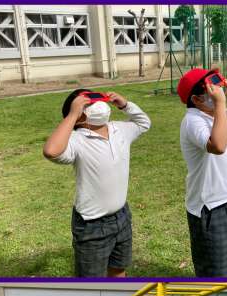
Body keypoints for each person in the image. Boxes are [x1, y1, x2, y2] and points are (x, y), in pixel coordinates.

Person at [43, 89, 151, 278]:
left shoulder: (119, 130)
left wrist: (125, 105)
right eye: (87, 104)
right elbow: (51, 151)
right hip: (91, 225)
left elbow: (144, 123)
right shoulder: (76, 141)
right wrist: (72, 115)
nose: (97, 105)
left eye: (95, 99)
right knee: (91, 278)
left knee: (119, 269)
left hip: (122, 217)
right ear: (79, 117)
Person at [177, 68, 227, 277]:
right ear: (196, 99)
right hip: (209, 205)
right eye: (210, 89)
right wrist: (220, 104)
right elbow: (218, 146)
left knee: (224, 258)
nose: (216, 91)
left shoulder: (216, 113)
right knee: (213, 268)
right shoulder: (193, 121)